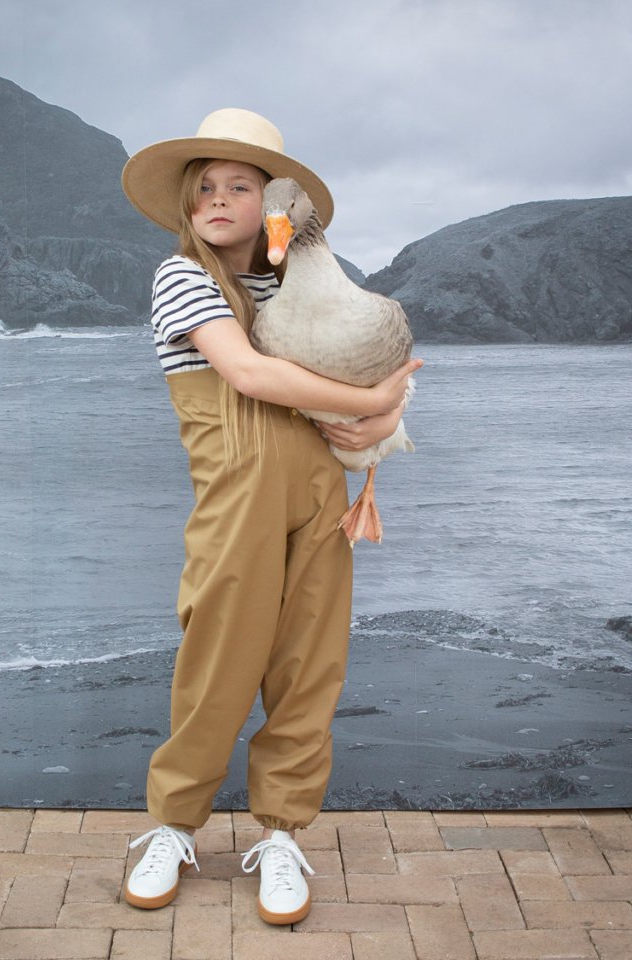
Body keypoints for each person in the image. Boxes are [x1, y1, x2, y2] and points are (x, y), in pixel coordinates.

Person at [119, 108, 422, 925]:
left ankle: (282, 835)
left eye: (239, 186)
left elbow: (372, 356)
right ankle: (172, 827)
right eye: (204, 188)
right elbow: (251, 375)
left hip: (322, 492)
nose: (218, 199)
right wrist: (375, 398)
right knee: (217, 663)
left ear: (273, 202)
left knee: (308, 670)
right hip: (237, 497)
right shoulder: (180, 276)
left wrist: (385, 417)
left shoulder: (301, 282)